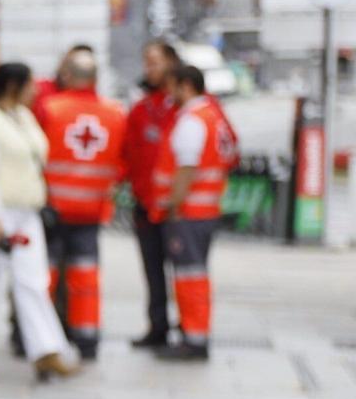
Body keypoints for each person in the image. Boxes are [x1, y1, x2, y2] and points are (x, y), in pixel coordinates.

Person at [0, 62, 79, 383]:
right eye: (30, 84)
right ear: (15, 85)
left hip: (27, 211)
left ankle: (46, 351)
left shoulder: (24, 117)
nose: (36, 90)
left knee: (34, 282)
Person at [38, 47, 126, 360]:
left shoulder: (50, 108)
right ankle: (87, 338)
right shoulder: (115, 112)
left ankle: (36, 336)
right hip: (92, 210)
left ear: (69, 76)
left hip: (52, 210)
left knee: (44, 275)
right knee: (85, 277)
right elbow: (123, 161)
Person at [149, 61, 238, 362]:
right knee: (193, 274)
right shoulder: (212, 116)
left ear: (186, 85)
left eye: (172, 86)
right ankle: (192, 332)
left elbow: (187, 168)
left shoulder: (192, 120)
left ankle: (194, 339)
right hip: (205, 210)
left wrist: (173, 205)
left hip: (189, 212)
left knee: (189, 277)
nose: (168, 93)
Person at [124, 38, 183, 348]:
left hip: (178, 208)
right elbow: (128, 154)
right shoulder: (141, 110)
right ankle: (157, 326)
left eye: (155, 62)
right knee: (153, 270)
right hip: (146, 205)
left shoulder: (188, 107)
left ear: (172, 64)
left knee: (186, 272)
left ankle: (189, 329)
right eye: (146, 62)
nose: (149, 68)